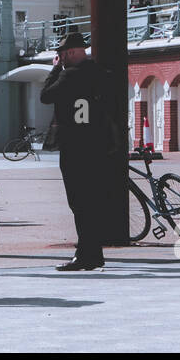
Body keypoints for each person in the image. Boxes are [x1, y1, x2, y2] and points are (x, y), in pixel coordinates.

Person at [40, 32, 113, 271]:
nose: (60, 58)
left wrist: (55, 70)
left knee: (79, 203)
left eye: (61, 54)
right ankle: (91, 253)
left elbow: (45, 96)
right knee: (93, 201)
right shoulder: (101, 75)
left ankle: (87, 256)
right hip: (99, 146)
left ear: (71, 53)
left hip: (75, 148)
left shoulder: (68, 76)